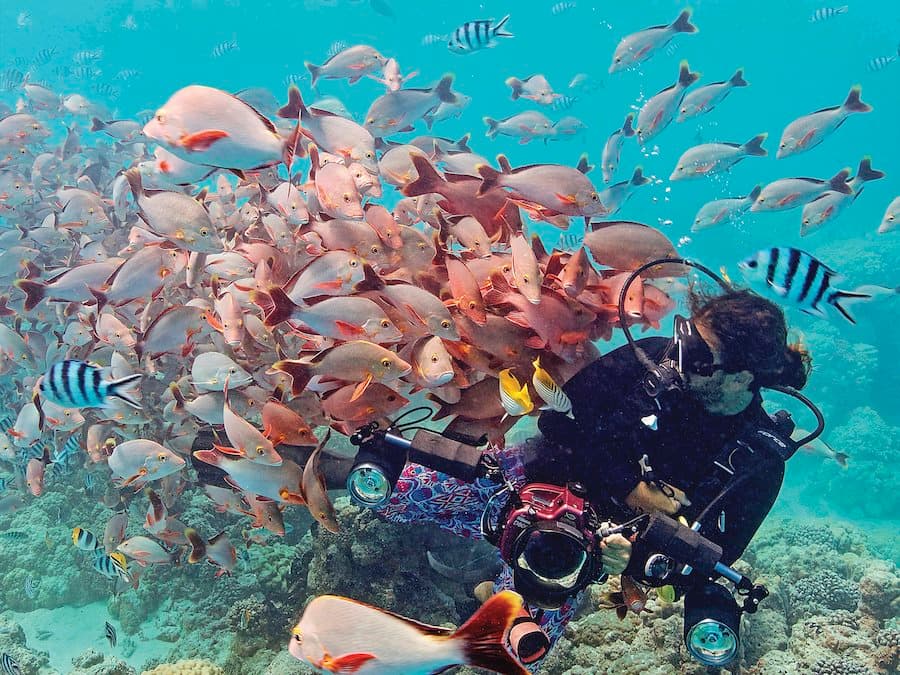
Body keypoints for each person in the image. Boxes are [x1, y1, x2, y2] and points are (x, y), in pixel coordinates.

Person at [365, 287, 812, 667]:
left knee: (516, 651)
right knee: (383, 490)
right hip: (526, 482)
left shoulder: (756, 457)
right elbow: (558, 425)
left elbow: (712, 558)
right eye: (685, 337)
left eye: (697, 354)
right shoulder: (651, 362)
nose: (677, 356)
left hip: (586, 551)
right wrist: (631, 489)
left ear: (740, 377)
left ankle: (492, 591)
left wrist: (631, 560)